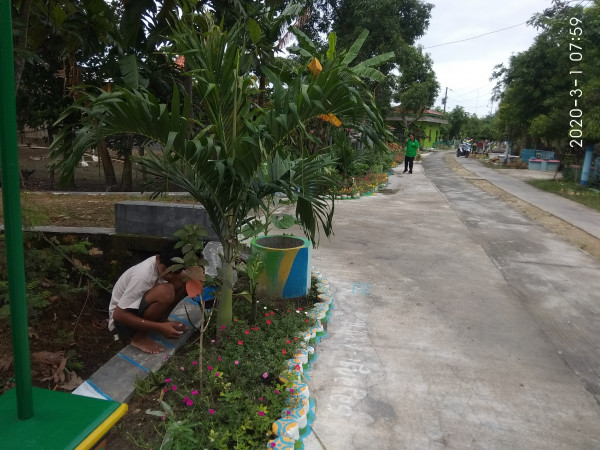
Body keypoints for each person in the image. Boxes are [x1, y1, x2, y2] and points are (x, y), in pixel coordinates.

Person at [108, 245, 191, 354]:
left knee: (183, 278)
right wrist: (160, 328)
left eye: (175, 272)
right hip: (122, 324)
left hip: (139, 312)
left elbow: (182, 276)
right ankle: (139, 338)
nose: (170, 276)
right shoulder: (142, 276)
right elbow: (118, 315)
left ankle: (162, 320)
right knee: (166, 291)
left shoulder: (169, 269)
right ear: (157, 259)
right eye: (166, 271)